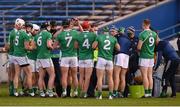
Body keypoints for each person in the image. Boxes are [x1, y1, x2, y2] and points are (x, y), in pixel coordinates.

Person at [92, 26, 120, 99]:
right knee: (110, 78)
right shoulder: (113, 38)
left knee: (99, 78)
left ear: (103, 31)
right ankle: (110, 95)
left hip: (101, 59)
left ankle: (99, 95)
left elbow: (93, 46)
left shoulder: (99, 37)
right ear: (109, 31)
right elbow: (118, 48)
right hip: (109, 59)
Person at [54, 19, 79, 98]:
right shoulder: (75, 32)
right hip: (74, 56)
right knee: (74, 76)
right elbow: (79, 41)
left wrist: (61, 46)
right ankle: (75, 92)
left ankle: (64, 92)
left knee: (64, 76)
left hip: (65, 56)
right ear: (69, 25)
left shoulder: (60, 35)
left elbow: (54, 47)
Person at [12, 18, 35, 97]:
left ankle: (15, 91)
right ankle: (31, 91)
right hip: (21, 55)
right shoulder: (24, 34)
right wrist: (32, 47)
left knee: (17, 74)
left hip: (15, 55)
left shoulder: (17, 33)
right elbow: (26, 47)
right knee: (29, 73)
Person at [137, 19, 159, 98]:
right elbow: (157, 43)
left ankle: (146, 94)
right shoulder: (154, 33)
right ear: (149, 24)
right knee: (150, 75)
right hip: (151, 56)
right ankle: (150, 93)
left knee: (144, 76)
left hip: (144, 56)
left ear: (144, 24)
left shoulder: (142, 34)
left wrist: (140, 50)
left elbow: (139, 47)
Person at [76, 21, 96, 98]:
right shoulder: (93, 35)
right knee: (87, 77)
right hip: (89, 58)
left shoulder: (79, 35)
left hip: (81, 58)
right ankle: (84, 93)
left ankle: (80, 92)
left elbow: (76, 46)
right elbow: (95, 45)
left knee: (81, 76)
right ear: (89, 27)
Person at [35, 22, 55, 97]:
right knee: (52, 75)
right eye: (49, 26)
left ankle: (41, 92)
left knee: (41, 76)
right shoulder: (48, 34)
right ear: (46, 27)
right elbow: (48, 45)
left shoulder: (37, 35)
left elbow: (34, 47)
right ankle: (49, 91)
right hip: (46, 56)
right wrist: (53, 47)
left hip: (39, 57)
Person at [4, 18, 23, 96]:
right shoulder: (15, 33)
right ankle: (13, 90)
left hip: (11, 54)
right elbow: (8, 45)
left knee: (12, 73)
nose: (22, 27)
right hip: (14, 54)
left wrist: (7, 52)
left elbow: (7, 45)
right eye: (22, 25)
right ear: (18, 25)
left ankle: (11, 90)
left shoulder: (12, 32)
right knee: (15, 73)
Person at [113, 26, 131, 98]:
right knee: (123, 76)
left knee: (116, 75)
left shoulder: (117, 36)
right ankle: (121, 93)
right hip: (126, 56)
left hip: (120, 55)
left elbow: (115, 46)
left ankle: (115, 92)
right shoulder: (128, 39)